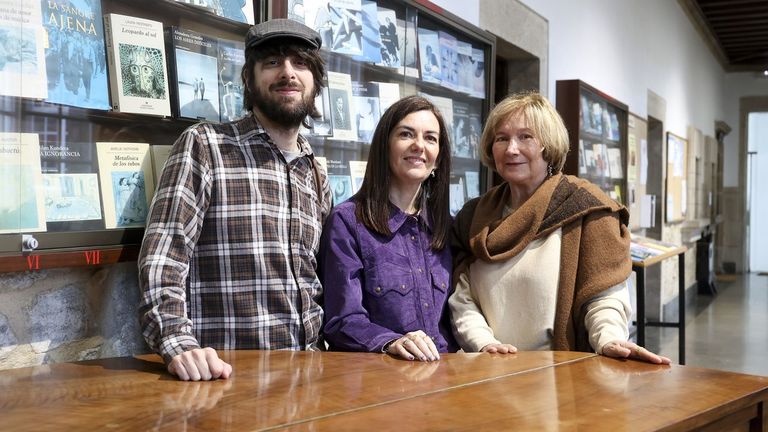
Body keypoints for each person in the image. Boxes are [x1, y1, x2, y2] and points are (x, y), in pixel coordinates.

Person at [138, 19, 332, 381]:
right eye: (272, 62)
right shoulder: (206, 145)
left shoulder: (316, 172)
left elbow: (319, 279)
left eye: (300, 63)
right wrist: (178, 342)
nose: (288, 72)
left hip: (308, 379)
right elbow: (164, 256)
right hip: (227, 380)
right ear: (248, 78)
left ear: (315, 82)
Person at [449, 92, 670, 364]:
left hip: (559, 377)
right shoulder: (473, 217)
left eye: (526, 137)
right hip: (488, 371)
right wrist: (484, 344)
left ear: (548, 144)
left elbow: (603, 296)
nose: (511, 149)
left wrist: (609, 338)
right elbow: (462, 297)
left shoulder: (586, 208)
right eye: (501, 138)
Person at [320, 95, 456, 361]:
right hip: (381, 383)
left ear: (438, 160)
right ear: (385, 146)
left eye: (430, 138)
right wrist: (391, 342)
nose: (419, 145)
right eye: (406, 134)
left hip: (445, 380)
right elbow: (342, 321)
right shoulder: (348, 222)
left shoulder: (446, 228)